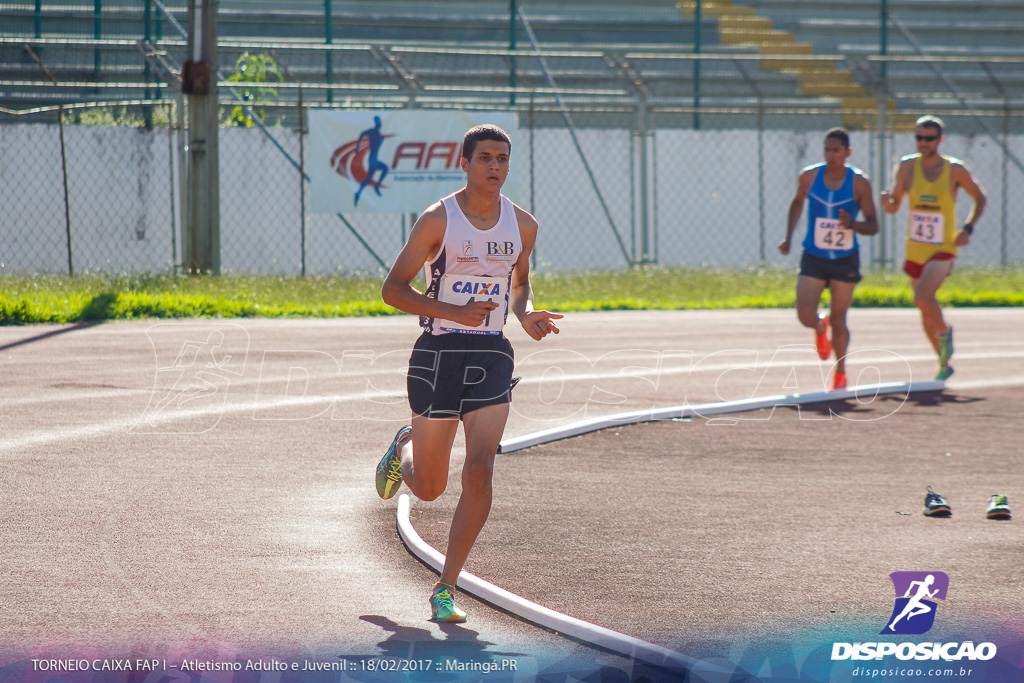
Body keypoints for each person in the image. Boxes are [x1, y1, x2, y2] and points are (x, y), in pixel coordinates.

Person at [375, 124, 562, 623]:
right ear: (465, 163)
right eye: (485, 158)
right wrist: (453, 312)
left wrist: (524, 315)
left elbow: (519, 284)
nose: (495, 167)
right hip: (438, 353)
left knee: (479, 472)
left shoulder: (523, 225)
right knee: (431, 487)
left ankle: (445, 588)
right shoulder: (439, 219)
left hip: (491, 355)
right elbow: (393, 290)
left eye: (502, 158)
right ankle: (404, 448)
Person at [880, 115, 986, 381]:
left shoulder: (955, 169)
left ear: (941, 139)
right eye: (919, 137)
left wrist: (967, 228)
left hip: (944, 247)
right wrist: (886, 202)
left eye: (929, 138)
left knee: (922, 297)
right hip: (915, 248)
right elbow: (894, 206)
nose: (923, 143)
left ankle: (945, 334)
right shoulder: (906, 167)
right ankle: (942, 361)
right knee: (924, 308)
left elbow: (980, 198)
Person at [780, 128, 878, 390]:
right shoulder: (810, 177)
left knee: (840, 318)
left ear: (848, 153)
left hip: (845, 257)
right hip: (814, 254)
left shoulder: (859, 183)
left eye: (836, 150)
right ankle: (818, 327)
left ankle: (841, 373)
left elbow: (873, 225)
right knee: (804, 313)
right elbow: (798, 202)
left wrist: (853, 224)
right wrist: (788, 236)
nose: (831, 155)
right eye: (827, 150)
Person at [354, 115, 389, 206]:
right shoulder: (372, 132)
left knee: (369, 178)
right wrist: (357, 147)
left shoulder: (378, 134)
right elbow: (362, 134)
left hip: (373, 159)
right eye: (378, 122)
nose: (379, 124)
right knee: (385, 169)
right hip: (372, 160)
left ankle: (358, 193)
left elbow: (377, 146)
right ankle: (377, 185)